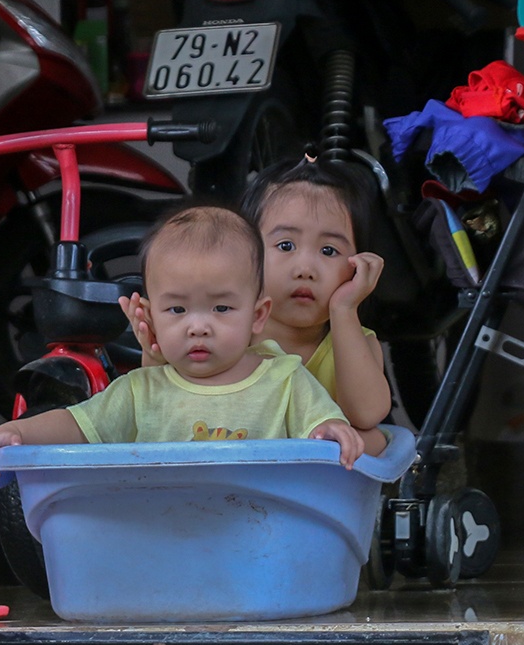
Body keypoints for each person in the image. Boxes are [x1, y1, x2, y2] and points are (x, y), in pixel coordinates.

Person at [0, 203, 364, 481]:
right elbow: (76, 425)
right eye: (177, 310)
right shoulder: (140, 391)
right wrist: (19, 432)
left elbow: (322, 423)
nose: (198, 327)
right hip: (165, 540)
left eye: (222, 308)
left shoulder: (285, 380)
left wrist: (332, 429)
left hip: (259, 537)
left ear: (258, 316)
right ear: (150, 316)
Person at [122, 156, 395, 458]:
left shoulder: (355, 342)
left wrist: (344, 310)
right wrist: (154, 354)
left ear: (356, 264)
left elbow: (367, 415)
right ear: (243, 254)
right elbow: (161, 406)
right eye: (286, 246)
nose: (305, 269)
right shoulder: (224, 334)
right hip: (228, 463)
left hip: (312, 481)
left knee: (372, 441)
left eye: (329, 251)